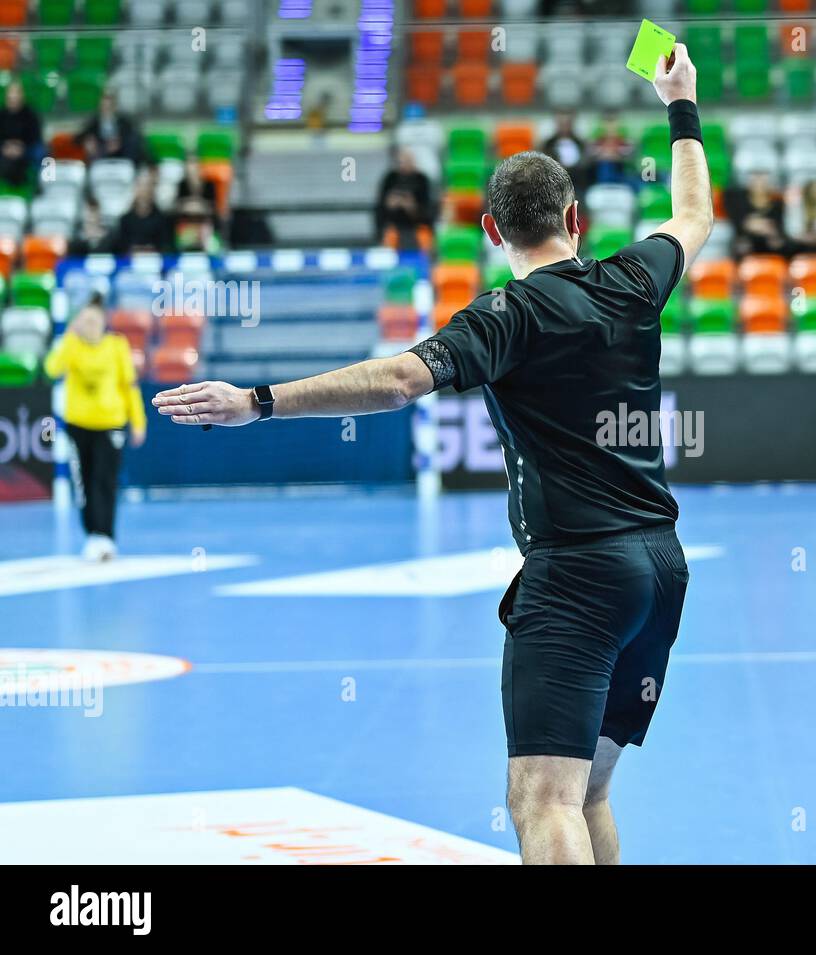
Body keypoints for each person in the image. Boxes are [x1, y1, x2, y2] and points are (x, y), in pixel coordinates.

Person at [152, 44, 714, 866]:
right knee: (588, 791)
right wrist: (680, 102)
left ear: (491, 230)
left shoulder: (503, 315)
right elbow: (693, 212)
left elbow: (393, 381)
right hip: (660, 569)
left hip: (578, 577)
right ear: (576, 221)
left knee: (542, 798)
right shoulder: (633, 279)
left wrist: (258, 401)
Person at [44, 295, 147, 562]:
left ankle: (106, 536)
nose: (89, 326)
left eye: (94, 321)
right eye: (85, 321)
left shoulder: (116, 346)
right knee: (84, 483)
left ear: (103, 323)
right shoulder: (73, 346)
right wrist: (68, 338)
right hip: (79, 425)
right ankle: (92, 535)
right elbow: (51, 369)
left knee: (105, 481)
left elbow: (129, 386)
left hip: (110, 423)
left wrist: (138, 421)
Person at [374, 146, 436, 250]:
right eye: (401, 162)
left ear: (413, 162)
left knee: (424, 238)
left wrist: (412, 207)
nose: (404, 165)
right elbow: (380, 208)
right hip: (394, 227)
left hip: (418, 227)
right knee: (389, 237)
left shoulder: (422, 180)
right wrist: (389, 206)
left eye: (407, 161)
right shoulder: (390, 179)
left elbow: (429, 212)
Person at [724, 169, 786, 258]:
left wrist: (768, 230)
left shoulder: (777, 205)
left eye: (762, 178)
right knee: (742, 245)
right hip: (748, 244)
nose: (759, 183)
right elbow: (739, 224)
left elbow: (779, 230)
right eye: (756, 178)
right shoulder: (740, 202)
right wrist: (749, 224)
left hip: (769, 245)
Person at [76, 90, 142, 163]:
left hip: (121, 156)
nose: (106, 110)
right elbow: (77, 138)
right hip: (100, 156)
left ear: (114, 107)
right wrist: (87, 142)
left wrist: (120, 143)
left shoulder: (124, 122)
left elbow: (136, 136)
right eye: (104, 107)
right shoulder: (94, 122)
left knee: (133, 140)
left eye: (109, 107)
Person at [114, 173, 173, 255]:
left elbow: (166, 248)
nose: (145, 190)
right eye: (141, 185)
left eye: (148, 185)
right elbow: (121, 249)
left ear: (153, 189)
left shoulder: (163, 220)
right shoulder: (125, 221)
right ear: (135, 189)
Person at [0, 82, 42, 189]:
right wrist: (5, 147)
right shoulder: (2, 114)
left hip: (27, 147)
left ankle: (38, 185)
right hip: (5, 149)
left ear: (22, 96)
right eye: (10, 97)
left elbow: (35, 135)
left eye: (16, 96)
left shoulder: (30, 114)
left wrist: (21, 147)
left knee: (40, 152)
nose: (13, 100)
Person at [541, 110, 587, 193]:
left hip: (576, 180)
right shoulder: (548, 144)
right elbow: (544, 162)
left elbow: (585, 161)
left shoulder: (580, 143)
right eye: (561, 124)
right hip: (555, 180)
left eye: (567, 123)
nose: (564, 126)